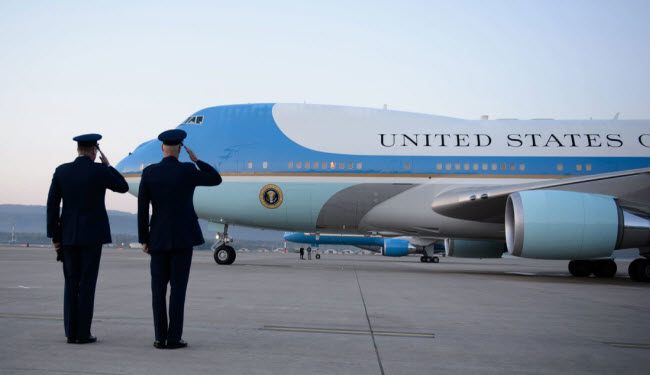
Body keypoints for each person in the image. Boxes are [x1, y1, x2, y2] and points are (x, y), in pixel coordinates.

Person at [138, 129, 222, 349]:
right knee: (178, 290)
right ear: (180, 149)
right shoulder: (188, 170)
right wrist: (198, 160)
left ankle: (159, 337)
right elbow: (215, 179)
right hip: (183, 239)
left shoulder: (149, 173)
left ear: (162, 148)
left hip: (157, 239)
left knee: (158, 291)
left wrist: (144, 239)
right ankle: (174, 337)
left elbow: (142, 209)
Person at [46, 133, 129, 344]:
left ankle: (70, 332)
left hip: (69, 236)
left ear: (77, 150)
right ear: (94, 151)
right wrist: (108, 166)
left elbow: (52, 206)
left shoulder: (62, 171)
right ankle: (83, 333)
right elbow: (122, 186)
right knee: (87, 284)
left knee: (71, 284)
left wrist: (54, 236)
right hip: (92, 236)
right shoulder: (100, 171)